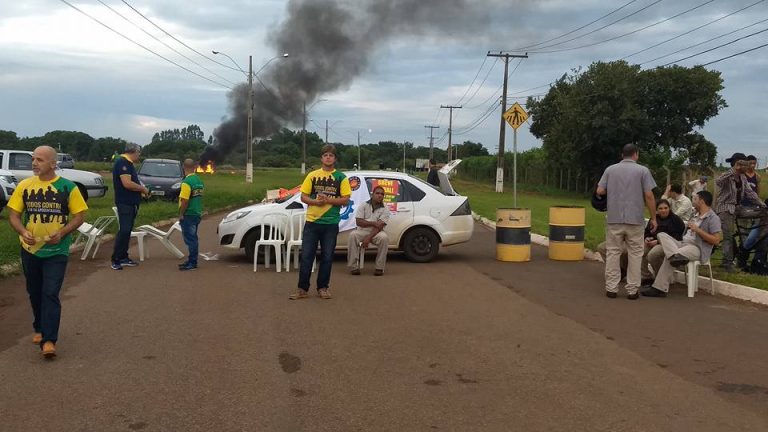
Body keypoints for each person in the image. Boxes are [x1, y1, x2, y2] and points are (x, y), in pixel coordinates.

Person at [6, 146, 87, 358]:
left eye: (39, 160)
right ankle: (39, 327)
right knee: (35, 291)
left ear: (53, 164)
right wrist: (23, 231)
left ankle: (49, 340)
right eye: (33, 159)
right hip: (30, 249)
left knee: (50, 292)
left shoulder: (68, 187)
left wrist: (63, 232)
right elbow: (13, 215)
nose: (34, 163)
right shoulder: (24, 186)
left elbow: (80, 216)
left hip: (57, 250)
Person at [596, 143, 657, 300]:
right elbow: (649, 195)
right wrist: (654, 217)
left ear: (622, 155)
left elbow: (600, 190)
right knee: (635, 254)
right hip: (635, 219)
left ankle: (611, 288)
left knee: (613, 252)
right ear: (635, 154)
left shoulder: (610, 170)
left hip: (614, 218)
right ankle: (632, 289)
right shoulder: (643, 170)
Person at [290, 144, 351, 300]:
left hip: (330, 223)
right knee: (307, 256)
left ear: (335, 159)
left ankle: (323, 287)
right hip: (312, 222)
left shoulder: (341, 178)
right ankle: (302, 288)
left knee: (327, 257)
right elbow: (303, 196)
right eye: (325, 155)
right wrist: (315, 202)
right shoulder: (312, 175)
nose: (328, 158)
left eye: (331, 155)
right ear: (321, 158)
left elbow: (345, 200)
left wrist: (329, 200)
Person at [641, 191, 722, 297]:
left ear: (701, 201)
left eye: (695, 199)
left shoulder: (713, 218)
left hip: (697, 247)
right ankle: (675, 257)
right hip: (682, 243)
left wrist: (698, 230)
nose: (693, 201)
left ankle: (659, 288)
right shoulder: (695, 214)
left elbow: (716, 240)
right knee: (661, 235)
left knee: (671, 256)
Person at [714, 152, 765, 272]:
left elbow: (750, 193)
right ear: (736, 164)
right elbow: (718, 181)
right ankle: (727, 263)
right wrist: (734, 170)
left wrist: (762, 205)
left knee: (762, 213)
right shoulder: (727, 176)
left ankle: (749, 250)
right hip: (725, 209)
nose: (747, 167)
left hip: (739, 208)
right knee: (728, 236)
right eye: (743, 164)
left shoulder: (743, 177)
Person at [111, 143, 149, 270]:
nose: (139, 155)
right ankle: (116, 258)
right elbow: (127, 184)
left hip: (131, 202)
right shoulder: (123, 163)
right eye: (139, 153)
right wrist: (142, 189)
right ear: (133, 151)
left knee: (127, 230)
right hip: (125, 202)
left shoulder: (128, 163)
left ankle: (123, 256)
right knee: (125, 230)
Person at [641, 199, 686, 284]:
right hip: (651, 242)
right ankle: (646, 277)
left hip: (667, 245)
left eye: (666, 208)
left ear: (669, 208)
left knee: (653, 255)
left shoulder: (675, 220)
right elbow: (647, 231)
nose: (663, 210)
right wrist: (646, 238)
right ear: (657, 210)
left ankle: (662, 278)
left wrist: (657, 242)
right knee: (640, 251)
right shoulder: (654, 218)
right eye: (660, 208)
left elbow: (677, 237)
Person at [347, 185, 390, 276]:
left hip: (376, 232)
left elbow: (380, 226)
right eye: (377, 193)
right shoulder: (364, 205)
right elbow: (359, 222)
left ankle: (379, 267)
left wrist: (368, 238)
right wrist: (374, 223)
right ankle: (353, 267)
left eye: (382, 194)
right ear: (372, 194)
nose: (379, 195)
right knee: (352, 235)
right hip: (362, 231)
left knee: (384, 238)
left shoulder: (385, 208)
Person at [177, 159, 204, 271]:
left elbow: (185, 200)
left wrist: (181, 214)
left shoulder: (186, 182)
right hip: (197, 212)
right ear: (194, 167)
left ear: (183, 167)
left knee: (190, 239)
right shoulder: (198, 180)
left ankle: (192, 262)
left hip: (188, 214)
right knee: (194, 237)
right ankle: (191, 260)